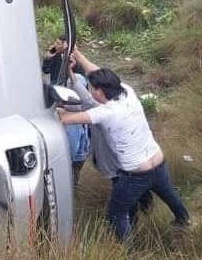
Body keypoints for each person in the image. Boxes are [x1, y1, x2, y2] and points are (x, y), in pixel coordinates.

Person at [56, 49, 189, 241]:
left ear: (100, 92)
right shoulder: (127, 91)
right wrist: (76, 54)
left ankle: (128, 253)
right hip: (157, 161)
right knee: (169, 194)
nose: (91, 91)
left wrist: (55, 109)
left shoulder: (106, 113)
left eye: (92, 89)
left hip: (136, 173)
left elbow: (66, 119)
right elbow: (97, 71)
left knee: (116, 214)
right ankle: (184, 221)